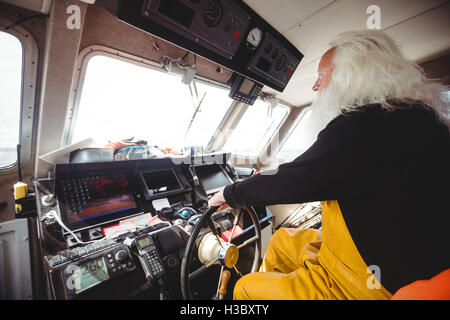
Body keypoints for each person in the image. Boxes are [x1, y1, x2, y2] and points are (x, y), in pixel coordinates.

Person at [208, 30, 450, 300]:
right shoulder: (414, 117)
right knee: (281, 240)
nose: (315, 87)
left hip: (372, 281)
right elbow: (315, 169)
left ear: (349, 76)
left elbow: (299, 180)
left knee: (245, 288)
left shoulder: (365, 125)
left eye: (321, 76)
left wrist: (230, 194)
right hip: (396, 256)